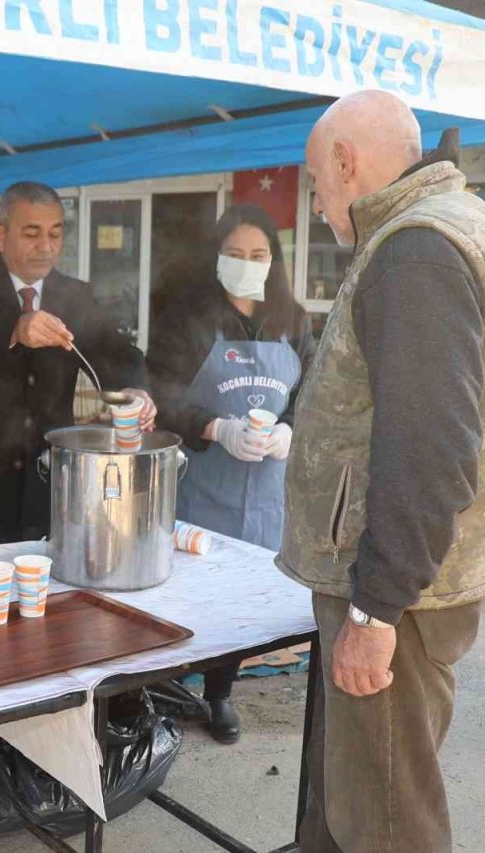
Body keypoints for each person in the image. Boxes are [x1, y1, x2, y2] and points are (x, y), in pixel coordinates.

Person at [282, 91, 485, 853]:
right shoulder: (463, 225)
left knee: (386, 819)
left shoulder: (415, 247)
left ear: (347, 161)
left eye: (318, 181)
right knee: (356, 798)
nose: (318, 204)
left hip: (398, 594)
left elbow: (431, 450)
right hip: (420, 579)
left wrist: (374, 614)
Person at [147, 204, 316, 744]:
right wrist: (217, 428)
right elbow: (165, 401)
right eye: (235, 254)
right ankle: (159, 692)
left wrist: (289, 430)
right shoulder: (185, 319)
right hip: (199, 489)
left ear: (274, 260)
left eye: (258, 255)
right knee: (182, 594)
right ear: (216, 258)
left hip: (265, 496)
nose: (247, 264)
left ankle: (219, 693)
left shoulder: (295, 321)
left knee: (242, 601)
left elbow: (313, 395)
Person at [0, 180, 154, 546]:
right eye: (32, 233)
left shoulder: (74, 295)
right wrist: (12, 329)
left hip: (49, 490)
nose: (46, 247)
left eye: (55, 234)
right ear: (1, 234)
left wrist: (135, 388)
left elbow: (115, 353)